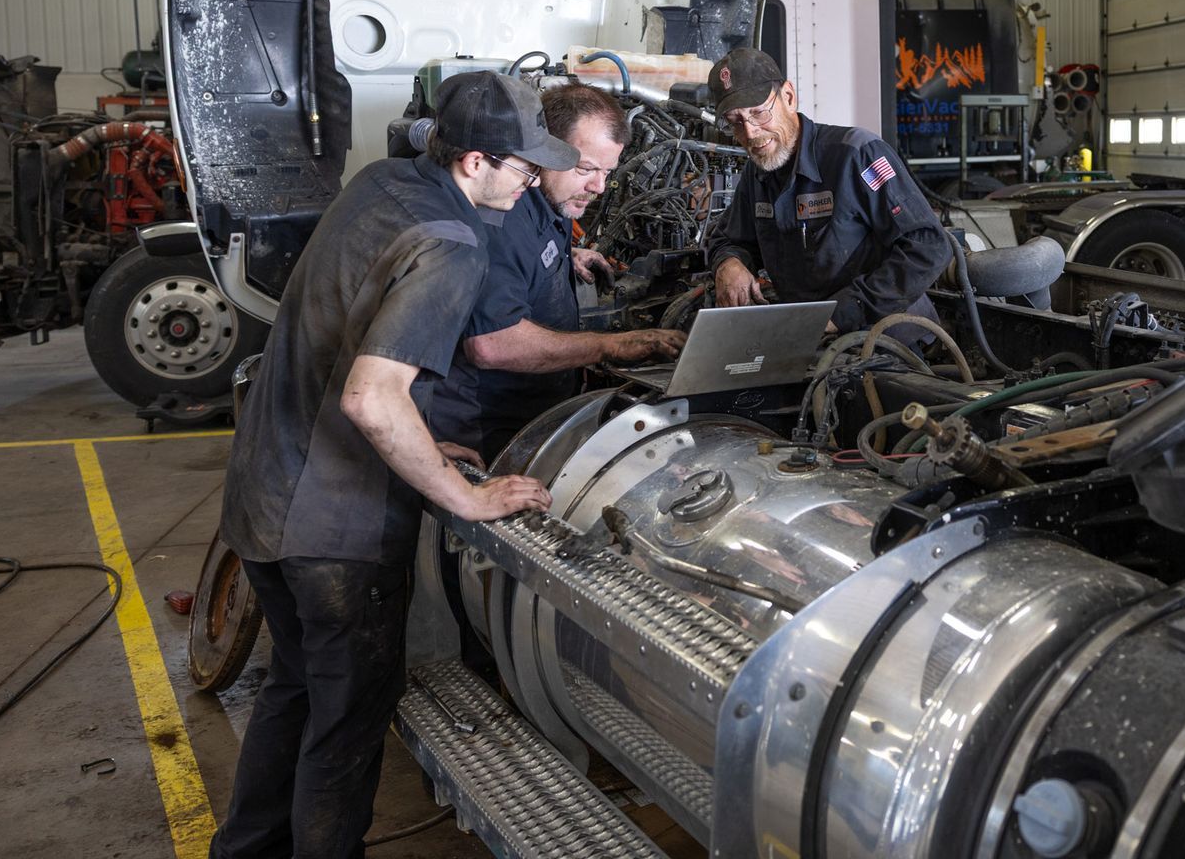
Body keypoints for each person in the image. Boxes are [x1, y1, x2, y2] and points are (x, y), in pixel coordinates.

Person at [208, 71, 569, 859]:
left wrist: (422, 438)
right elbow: (373, 400)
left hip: (262, 489)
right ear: (475, 162)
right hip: (333, 529)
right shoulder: (454, 242)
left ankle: (244, 850)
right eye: (523, 167)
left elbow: (347, 337)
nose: (534, 181)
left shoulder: (381, 184)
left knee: (293, 689)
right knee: (346, 725)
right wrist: (464, 500)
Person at [428, 82, 684, 465]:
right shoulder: (503, 215)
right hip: (487, 429)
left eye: (607, 172)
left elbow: (528, 256)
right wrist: (608, 345)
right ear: (546, 150)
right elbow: (491, 344)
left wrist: (566, 258)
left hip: (542, 410)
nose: (598, 187)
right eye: (585, 169)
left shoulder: (555, 198)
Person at [705, 47, 952, 336]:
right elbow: (729, 238)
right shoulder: (758, 172)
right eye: (735, 123)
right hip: (809, 338)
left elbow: (928, 245)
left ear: (788, 96)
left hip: (886, 338)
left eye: (759, 113)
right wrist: (729, 263)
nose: (750, 134)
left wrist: (847, 311)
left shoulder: (857, 155)